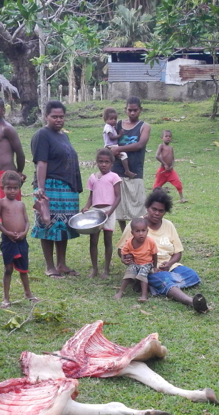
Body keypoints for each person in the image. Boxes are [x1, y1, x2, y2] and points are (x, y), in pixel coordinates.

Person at [118, 188, 208, 313]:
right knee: (164, 280)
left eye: (161, 211)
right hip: (148, 268)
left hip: (168, 267)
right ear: (147, 207)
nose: (157, 213)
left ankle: (157, 284)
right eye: (154, 209)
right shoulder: (136, 225)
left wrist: (169, 264)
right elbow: (121, 250)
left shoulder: (169, 225)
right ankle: (191, 301)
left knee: (192, 275)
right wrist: (127, 259)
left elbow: (178, 253)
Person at [30, 100, 82, 277]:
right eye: (54, 116)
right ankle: (49, 266)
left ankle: (61, 264)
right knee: (48, 225)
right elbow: (41, 163)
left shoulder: (63, 135)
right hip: (50, 186)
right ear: (46, 117)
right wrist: (41, 188)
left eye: (61, 116)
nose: (58, 120)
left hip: (66, 188)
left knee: (63, 226)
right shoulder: (42, 135)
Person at [0, 170, 35, 307]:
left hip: (22, 240)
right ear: (2, 188)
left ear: (19, 188)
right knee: (8, 269)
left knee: (24, 269)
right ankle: (6, 297)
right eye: (9, 188)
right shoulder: (0, 202)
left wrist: (24, 233)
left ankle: (28, 293)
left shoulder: (21, 204)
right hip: (8, 241)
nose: (12, 191)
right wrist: (7, 233)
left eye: (15, 188)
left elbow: (27, 221)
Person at [112, 96, 151, 231]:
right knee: (120, 205)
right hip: (117, 170)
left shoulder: (144, 126)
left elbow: (140, 144)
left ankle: (137, 233)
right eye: (130, 110)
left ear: (140, 110)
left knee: (138, 205)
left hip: (135, 170)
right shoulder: (118, 125)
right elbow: (110, 141)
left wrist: (119, 149)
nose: (132, 113)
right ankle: (125, 233)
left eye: (135, 110)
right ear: (125, 110)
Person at [83, 149, 122, 278]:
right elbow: (91, 196)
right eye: (101, 162)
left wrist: (110, 212)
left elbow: (118, 197)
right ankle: (94, 269)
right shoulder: (93, 177)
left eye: (106, 162)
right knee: (93, 240)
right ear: (96, 162)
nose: (103, 164)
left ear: (112, 163)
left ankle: (106, 269)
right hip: (95, 212)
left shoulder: (114, 177)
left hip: (109, 210)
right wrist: (87, 207)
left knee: (107, 240)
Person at [0, 95, 26, 202]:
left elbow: (20, 154)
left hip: (7, 177)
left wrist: (18, 173)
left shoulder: (7, 129)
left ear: (3, 111)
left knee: (9, 208)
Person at [115, 217, 158, 302]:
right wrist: (123, 259)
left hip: (147, 263)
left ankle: (144, 295)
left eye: (143, 230)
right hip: (135, 263)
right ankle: (120, 292)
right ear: (132, 233)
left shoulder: (151, 241)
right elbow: (124, 252)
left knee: (142, 275)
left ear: (147, 231)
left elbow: (155, 254)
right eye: (137, 231)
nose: (141, 233)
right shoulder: (129, 242)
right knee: (129, 273)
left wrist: (155, 267)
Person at [102, 107, 135, 178]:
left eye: (115, 119)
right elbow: (111, 137)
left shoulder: (111, 127)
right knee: (124, 155)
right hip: (110, 146)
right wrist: (120, 135)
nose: (114, 120)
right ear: (105, 119)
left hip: (113, 146)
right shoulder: (108, 127)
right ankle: (127, 171)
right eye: (111, 119)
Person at [154, 129, 185, 203]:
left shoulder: (171, 148)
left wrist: (172, 165)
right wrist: (164, 164)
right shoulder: (161, 146)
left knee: (178, 183)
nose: (168, 138)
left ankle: (182, 198)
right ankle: (154, 198)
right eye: (166, 136)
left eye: (170, 136)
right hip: (162, 170)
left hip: (170, 171)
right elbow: (157, 156)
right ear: (162, 138)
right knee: (157, 185)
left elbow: (173, 159)